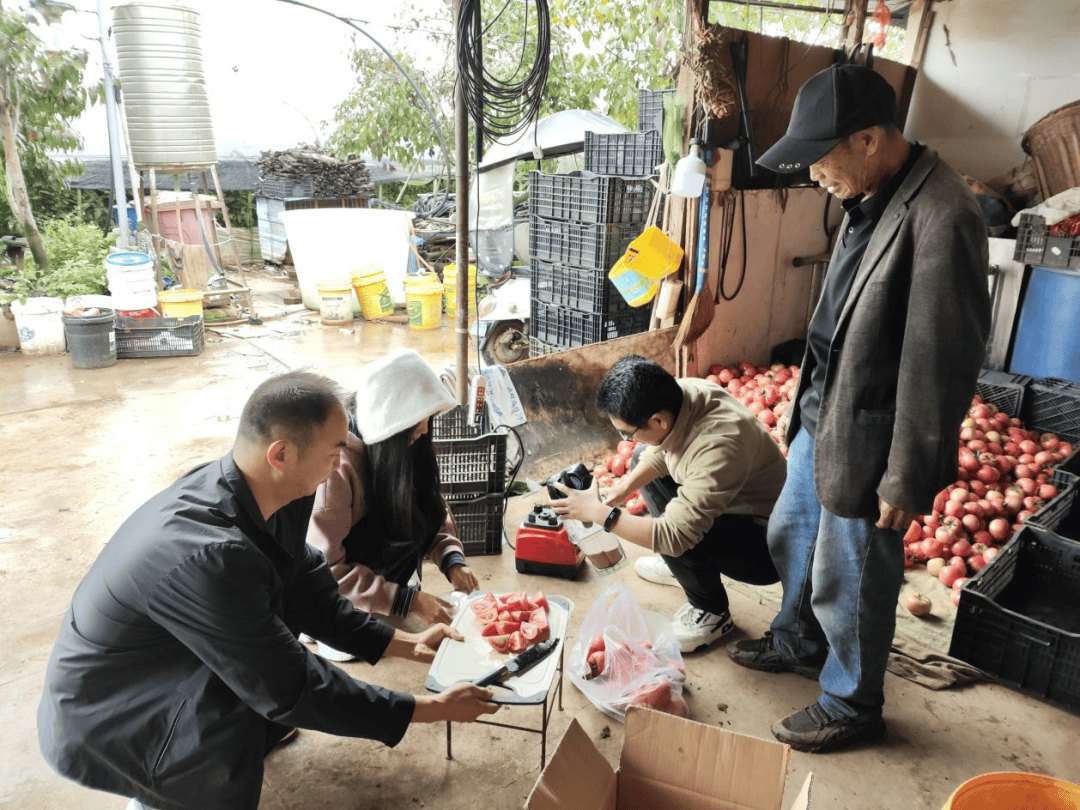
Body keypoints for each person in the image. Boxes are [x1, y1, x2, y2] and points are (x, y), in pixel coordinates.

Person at [37, 371, 499, 810]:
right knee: (224, 749)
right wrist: (430, 708)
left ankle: (250, 734)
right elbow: (292, 684)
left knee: (266, 652)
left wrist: (407, 645)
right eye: (336, 450)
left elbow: (310, 595)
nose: (342, 463)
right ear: (281, 454)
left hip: (168, 659)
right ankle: (154, 796)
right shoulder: (211, 556)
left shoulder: (267, 491)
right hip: (111, 712)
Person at [726, 64, 991, 753]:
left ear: (870, 139)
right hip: (822, 415)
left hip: (871, 436)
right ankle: (797, 639)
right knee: (793, 537)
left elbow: (942, 363)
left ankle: (852, 702)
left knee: (852, 576)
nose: (814, 175)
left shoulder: (944, 214)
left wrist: (907, 476)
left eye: (820, 158)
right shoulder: (870, 193)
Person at [550, 355, 787, 653]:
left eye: (626, 433)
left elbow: (673, 536)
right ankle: (686, 570)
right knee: (641, 458)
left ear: (657, 420)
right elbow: (661, 451)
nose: (627, 439)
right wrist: (623, 488)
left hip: (764, 547)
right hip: (735, 507)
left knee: (677, 538)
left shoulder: (719, 447)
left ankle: (711, 612)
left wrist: (601, 514)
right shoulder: (683, 394)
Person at [306, 349, 479, 661]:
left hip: (374, 570)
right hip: (330, 590)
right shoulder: (336, 470)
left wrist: (451, 559)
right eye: (418, 421)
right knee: (350, 647)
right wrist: (407, 601)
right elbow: (325, 572)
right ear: (391, 426)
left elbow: (430, 508)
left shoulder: (408, 442)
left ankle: (382, 596)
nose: (424, 430)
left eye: (428, 418)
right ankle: (323, 624)